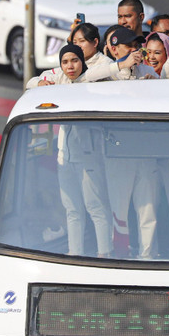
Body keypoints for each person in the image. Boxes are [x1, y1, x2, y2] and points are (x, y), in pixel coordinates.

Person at [32, 44, 113, 257]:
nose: (70, 66)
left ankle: (104, 254)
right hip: (64, 159)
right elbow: (31, 82)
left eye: (75, 60)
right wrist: (40, 82)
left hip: (89, 158)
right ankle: (74, 253)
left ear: (82, 61)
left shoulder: (92, 81)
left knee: (96, 208)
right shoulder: (60, 80)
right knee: (72, 210)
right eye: (65, 62)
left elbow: (112, 69)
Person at [27, 23, 114, 87]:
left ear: (95, 42)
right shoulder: (64, 73)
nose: (78, 45)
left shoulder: (106, 64)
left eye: (82, 41)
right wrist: (40, 82)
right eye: (75, 42)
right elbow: (36, 80)